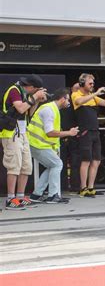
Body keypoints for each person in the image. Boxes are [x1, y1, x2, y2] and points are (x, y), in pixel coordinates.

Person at [1, 74, 47, 209]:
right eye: (36, 90)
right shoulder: (14, 90)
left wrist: (37, 100)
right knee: (14, 166)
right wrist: (34, 97)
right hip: (11, 132)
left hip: (23, 132)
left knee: (26, 167)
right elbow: (20, 108)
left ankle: (20, 197)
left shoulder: (28, 94)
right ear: (31, 87)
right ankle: (10, 199)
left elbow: (29, 112)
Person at [28, 88, 79, 203]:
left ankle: (36, 195)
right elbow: (49, 132)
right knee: (57, 164)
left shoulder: (52, 108)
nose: (69, 102)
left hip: (38, 144)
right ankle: (53, 195)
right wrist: (69, 133)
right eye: (67, 100)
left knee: (52, 166)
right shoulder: (49, 110)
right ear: (62, 99)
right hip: (37, 144)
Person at [71, 73, 105, 198]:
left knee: (96, 160)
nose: (92, 85)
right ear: (82, 84)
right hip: (85, 131)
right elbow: (79, 101)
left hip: (95, 131)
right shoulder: (76, 94)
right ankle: (83, 188)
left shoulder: (92, 97)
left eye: (93, 83)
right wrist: (95, 93)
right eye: (90, 83)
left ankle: (91, 187)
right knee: (86, 160)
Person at [60, 83, 81, 193]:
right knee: (61, 162)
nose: (78, 90)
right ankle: (62, 186)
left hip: (74, 135)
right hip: (62, 134)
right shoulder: (63, 103)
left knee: (75, 162)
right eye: (76, 89)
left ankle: (75, 186)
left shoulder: (78, 102)